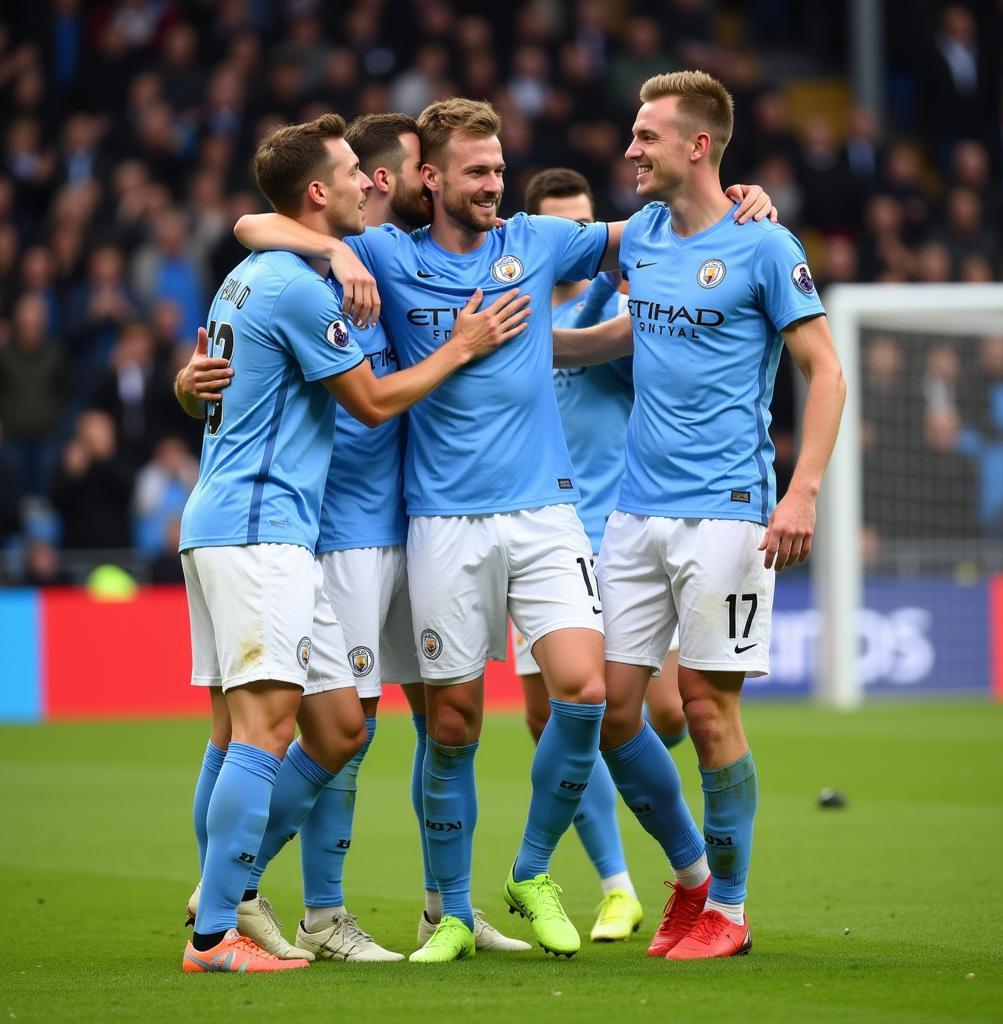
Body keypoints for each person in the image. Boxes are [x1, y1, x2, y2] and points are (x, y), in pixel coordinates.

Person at [234, 97, 773, 963]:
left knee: (585, 690)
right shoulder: (383, 253)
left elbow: (659, 224)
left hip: (546, 511)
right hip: (439, 521)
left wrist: (742, 197)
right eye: (476, 172)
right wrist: (333, 244)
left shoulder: (536, 240)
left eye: (498, 169)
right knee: (449, 726)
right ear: (430, 178)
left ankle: (530, 870)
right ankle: (447, 913)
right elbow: (253, 222)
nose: (492, 185)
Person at [176, 113, 526, 974]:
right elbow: (368, 402)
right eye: (354, 173)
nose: (372, 186)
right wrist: (463, 345)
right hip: (264, 526)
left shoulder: (253, 276)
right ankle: (217, 929)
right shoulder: (298, 284)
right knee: (257, 731)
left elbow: (254, 233)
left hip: (244, 524)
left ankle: (224, 890)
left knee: (317, 729)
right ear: (321, 193)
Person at [554, 71, 845, 961]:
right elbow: (591, 295)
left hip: (726, 512)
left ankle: (731, 907)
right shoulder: (639, 235)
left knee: (709, 713)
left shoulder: (764, 245)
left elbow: (826, 371)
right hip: (634, 514)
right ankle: (691, 879)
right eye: (632, 135)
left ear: (698, 146)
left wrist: (801, 493)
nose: (630, 149)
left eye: (647, 136)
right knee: (611, 712)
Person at [517, 166, 768, 943]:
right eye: (567, 232)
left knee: (682, 707)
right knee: (581, 712)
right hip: (556, 536)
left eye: (590, 230)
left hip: (679, 515)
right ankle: (646, 882)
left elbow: (636, 343)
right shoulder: (514, 302)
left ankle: (718, 894)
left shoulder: (658, 278)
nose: (584, 244)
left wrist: (737, 207)